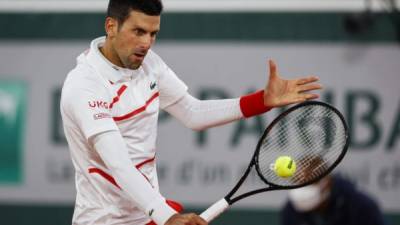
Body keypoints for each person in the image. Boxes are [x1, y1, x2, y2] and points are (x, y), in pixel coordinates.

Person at [60, 0, 322, 224]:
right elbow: (118, 163)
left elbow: (191, 111)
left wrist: (261, 101)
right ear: (111, 27)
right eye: (138, 31)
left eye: (153, 34)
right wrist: (165, 215)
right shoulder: (84, 85)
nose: (146, 43)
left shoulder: (149, 64)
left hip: (146, 215)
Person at [281, 174, 386, 225]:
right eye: (300, 182)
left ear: (327, 183)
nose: (304, 189)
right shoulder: (291, 208)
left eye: (311, 182)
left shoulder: (362, 206)